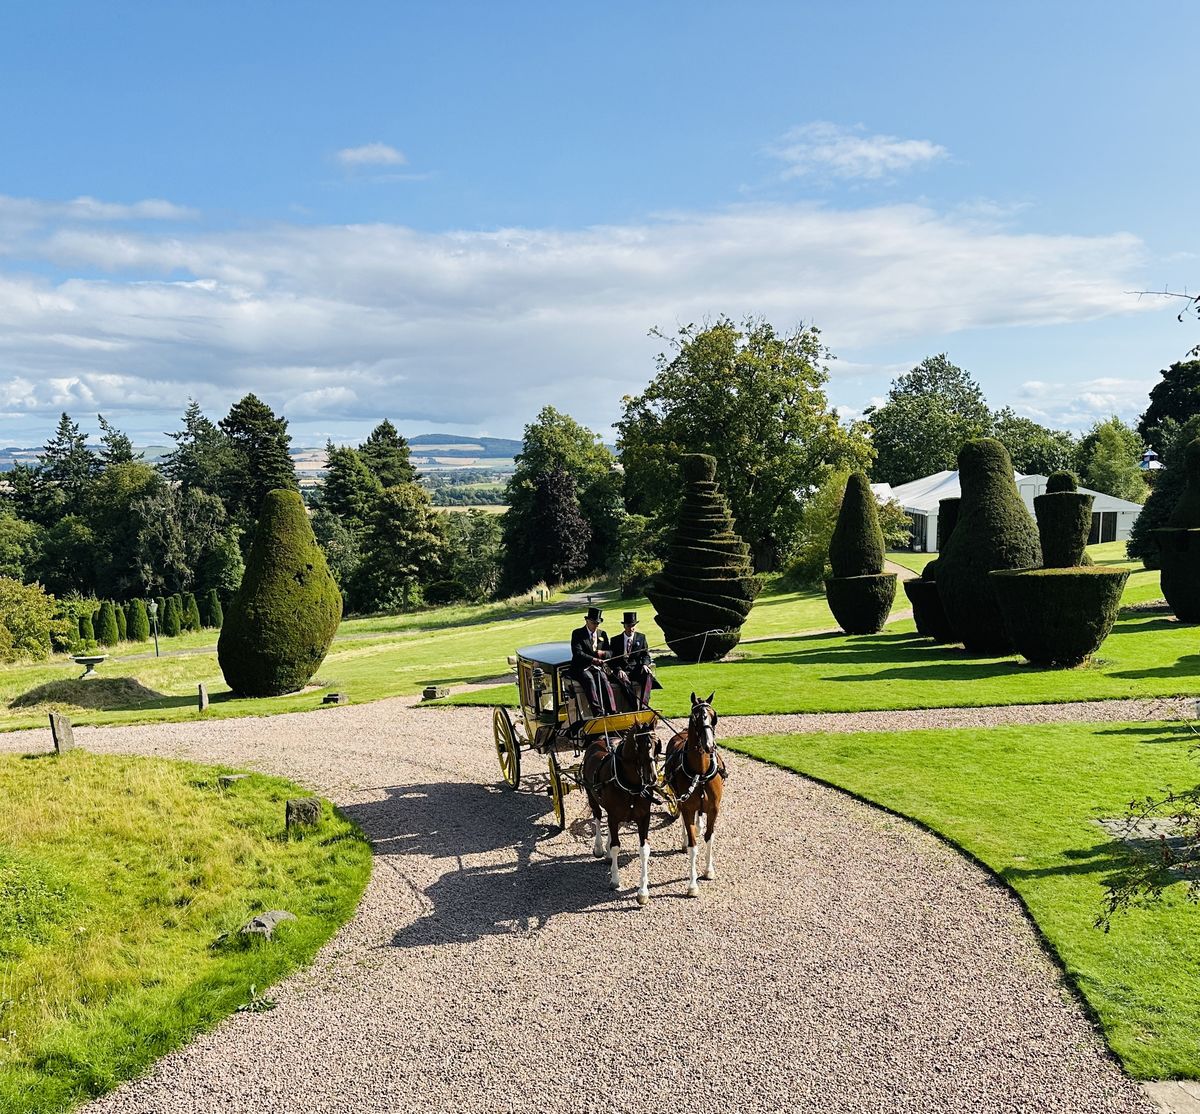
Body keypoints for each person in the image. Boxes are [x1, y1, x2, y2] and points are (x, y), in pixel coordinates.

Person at [569, 605, 616, 715]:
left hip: (597, 668)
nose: (595, 626)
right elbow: (577, 653)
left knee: (604, 679)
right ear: (587, 621)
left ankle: (612, 710)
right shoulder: (577, 633)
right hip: (581, 667)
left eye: (597, 623)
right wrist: (593, 659)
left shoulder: (602, 634)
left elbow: (610, 652)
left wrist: (603, 653)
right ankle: (597, 712)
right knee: (589, 680)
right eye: (593, 623)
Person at [610, 611, 659, 709]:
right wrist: (619, 670)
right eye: (628, 626)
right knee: (623, 680)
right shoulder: (615, 640)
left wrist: (645, 664)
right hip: (623, 670)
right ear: (624, 626)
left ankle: (644, 706)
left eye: (633, 625)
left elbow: (646, 655)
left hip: (636, 669)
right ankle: (634, 707)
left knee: (648, 675)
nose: (631, 628)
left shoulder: (641, 638)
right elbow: (612, 660)